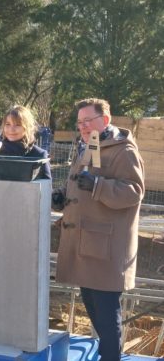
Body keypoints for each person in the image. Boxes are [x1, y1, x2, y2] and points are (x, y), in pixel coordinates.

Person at [53, 98, 144, 361]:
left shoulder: (123, 151)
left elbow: (134, 192)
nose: (82, 126)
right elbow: (83, 186)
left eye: (87, 121)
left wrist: (98, 185)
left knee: (106, 318)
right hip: (87, 244)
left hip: (105, 249)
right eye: (79, 122)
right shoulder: (91, 144)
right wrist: (63, 197)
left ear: (105, 120)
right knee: (94, 310)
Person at [0, 105, 51, 180]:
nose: (11, 129)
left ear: (27, 127)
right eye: (8, 124)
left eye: (18, 125)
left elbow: (46, 187)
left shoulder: (39, 155)